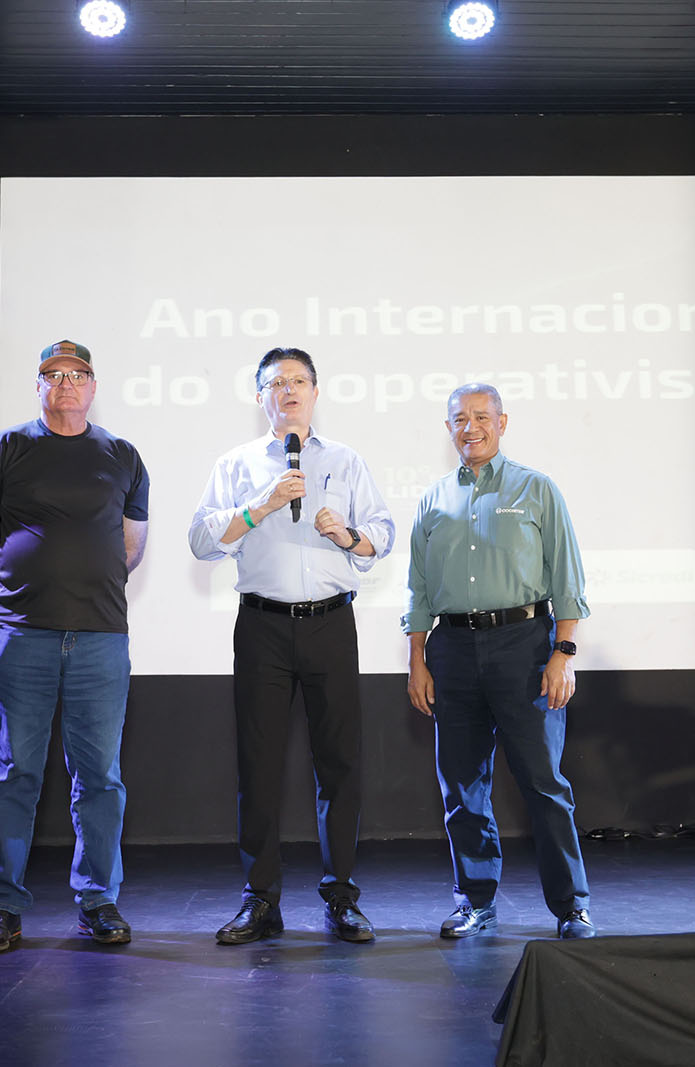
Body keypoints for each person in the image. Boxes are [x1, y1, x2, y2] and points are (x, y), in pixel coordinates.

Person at [189, 347, 395, 945]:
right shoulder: (236, 464)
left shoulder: (346, 461)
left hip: (331, 623)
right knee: (258, 766)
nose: (289, 390)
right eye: (277, 383)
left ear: (315, 392)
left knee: (340, 764)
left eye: (299, 381)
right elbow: (201, 541)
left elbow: (382, 534)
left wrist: (348, 535)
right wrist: (262, 506)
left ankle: (341, 897)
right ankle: (260, 900)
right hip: (263, 627)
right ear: (261, 398)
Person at [0, 339, 150, 954]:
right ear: (38, 385)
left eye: (78, 374)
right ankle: (0, 908)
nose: (66, 383)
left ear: (93, 386)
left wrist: (83, 585)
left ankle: (98, 901)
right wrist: (21, 592)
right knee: (14, 773)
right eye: (53, 374)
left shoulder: (122, 455)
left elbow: (131, 548)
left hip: (100, 638)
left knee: (100, 778)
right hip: (23, 637)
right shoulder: (5, 449)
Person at [403, 382, 595, 940]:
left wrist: (563, 653)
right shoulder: (433, 499)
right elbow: (418, 588)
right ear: (448, 429)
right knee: (462, 788)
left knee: (543, 783)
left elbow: (568, 577)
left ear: (502, 423)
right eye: (460, 419)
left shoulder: (537, 489)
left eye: (482, 417)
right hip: (452, 651)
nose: (472, 427)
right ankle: (475, 902)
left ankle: (572, 907)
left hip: (525, 647)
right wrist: (417, 659)